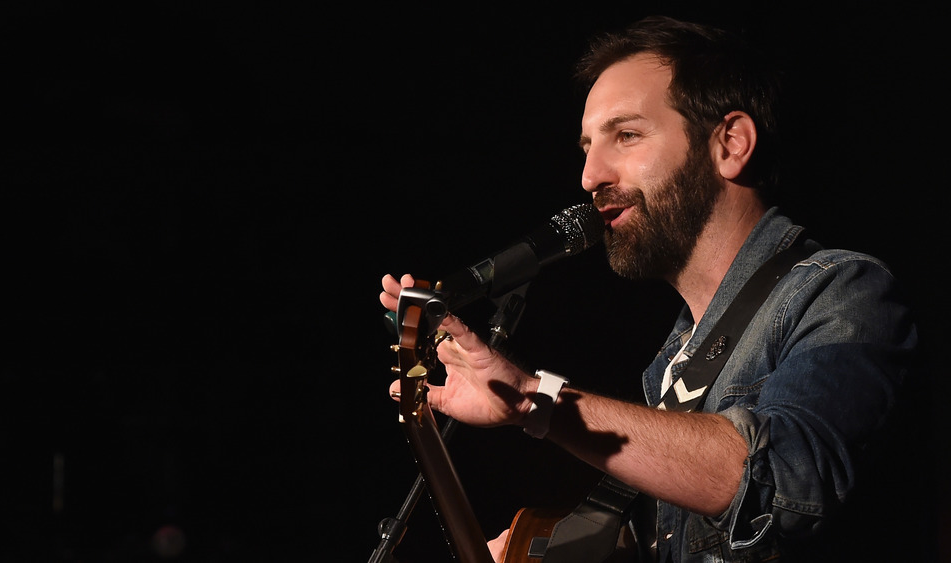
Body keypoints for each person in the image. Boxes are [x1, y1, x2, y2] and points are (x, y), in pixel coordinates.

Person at [379, 15, 930, 562]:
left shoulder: (846, 292)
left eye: (626, 135)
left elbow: (783, 485)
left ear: (730, 144)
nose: (590, 176)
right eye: (587, 146)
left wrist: (534, 399)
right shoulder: (670, 365)